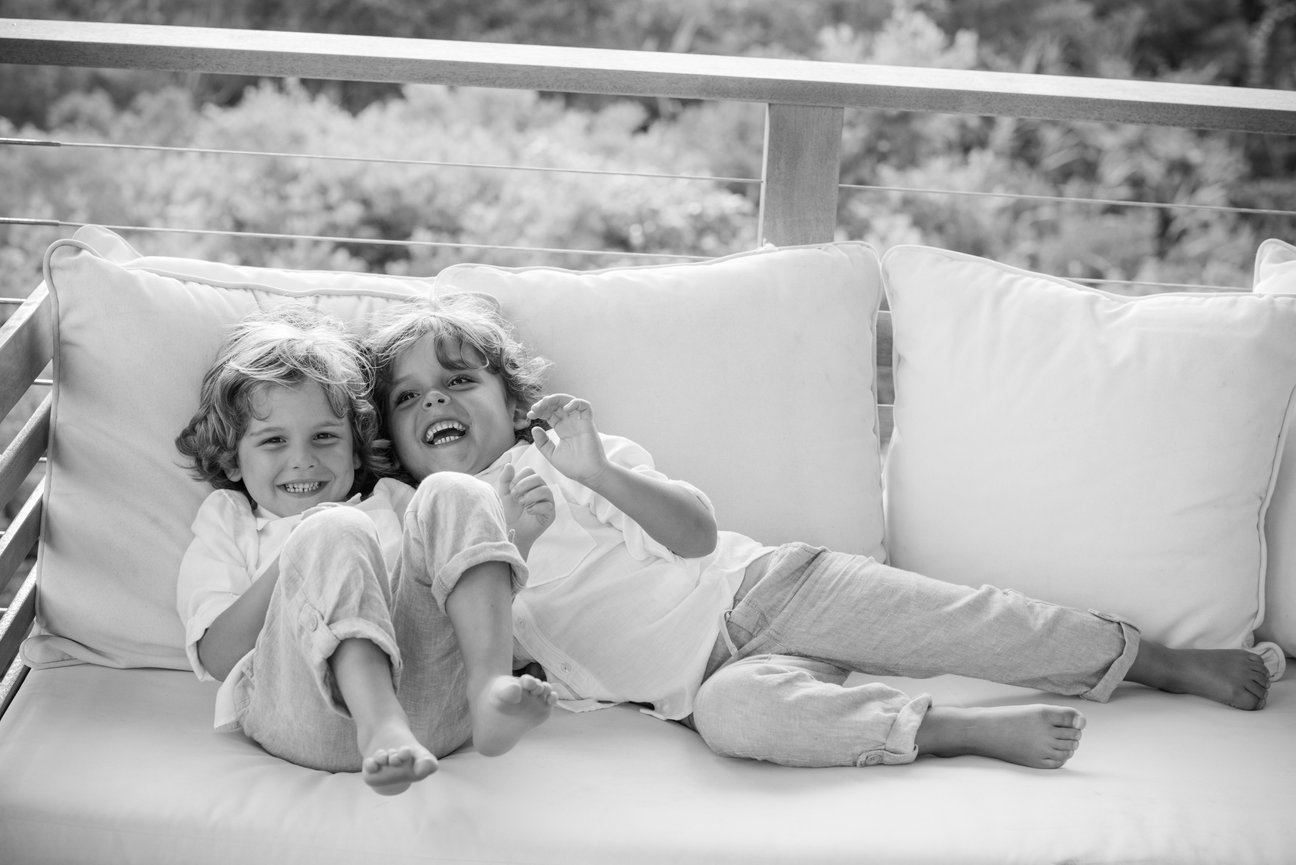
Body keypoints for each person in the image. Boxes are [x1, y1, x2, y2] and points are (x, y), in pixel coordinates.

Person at [363, 292, 1273, 771]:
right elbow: (458, 635)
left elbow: (692, 534)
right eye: (408, 397)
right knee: (739, 720)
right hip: (702, 685)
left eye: (459, 378)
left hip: (763, 589)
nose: (436, 399)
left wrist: (595, 470)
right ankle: (947, 729)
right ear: (392, 444)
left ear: (509, 398)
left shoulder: (562, 456)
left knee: (963, 619)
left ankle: (1148, 656)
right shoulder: (429, 520)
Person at [174, 303, 556, 796]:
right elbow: (219, 656)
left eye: (325, 437)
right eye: (273, 441)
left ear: (356, 449)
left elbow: (453, 594)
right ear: (231, 459)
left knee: (460, 490)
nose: (302, 460)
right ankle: (378, 724)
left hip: (434, 709)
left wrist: (513, 535)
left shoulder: (397, 501)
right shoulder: (228, 519)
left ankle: (488, 690)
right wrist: (302, 550)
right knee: (335, 528)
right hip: (299, 715)